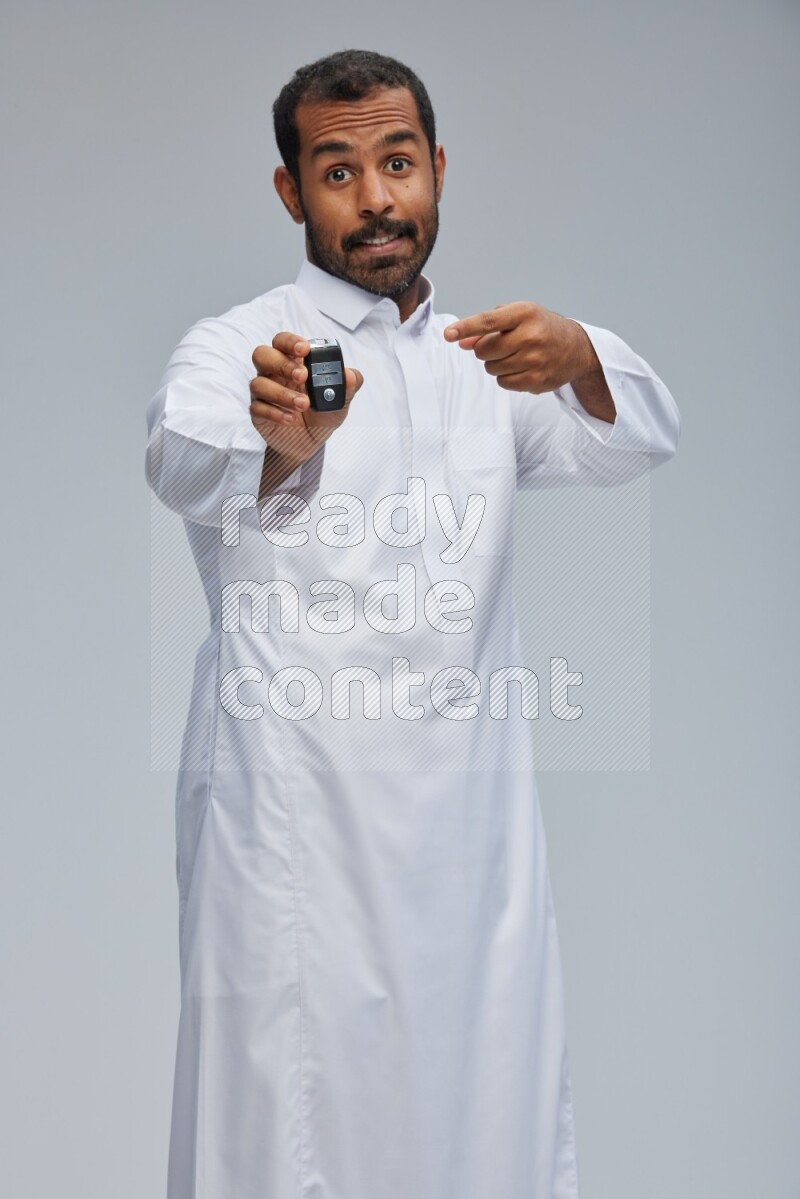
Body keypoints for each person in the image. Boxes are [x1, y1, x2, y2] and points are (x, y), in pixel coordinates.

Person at [146, 48, 680, 1199]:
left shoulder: (480, 362)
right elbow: (178, 458)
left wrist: (581, 354)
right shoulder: (247, 345)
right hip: (292, 822)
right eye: (338, 170)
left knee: (480, 1113)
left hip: (465, 836)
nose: (376, 197)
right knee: (280, 1126)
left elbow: (631, 436)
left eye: (396, 162)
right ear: (291, 191)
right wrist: (279, 441)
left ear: (436, 169)